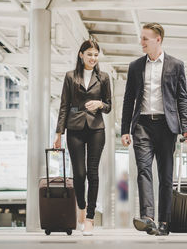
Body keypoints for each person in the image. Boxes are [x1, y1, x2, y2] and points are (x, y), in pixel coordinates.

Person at [121, 23, 187, 236]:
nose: (141, 42)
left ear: (158, 39)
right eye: (141, 38)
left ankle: (164, 222)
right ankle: (148, 217)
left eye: (145, 38)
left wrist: (186, 129)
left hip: (166, 126)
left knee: (165, 175)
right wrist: (125, 129)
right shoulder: (135, 66)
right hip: (142, 125)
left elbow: (182, 99)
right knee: (143, 170)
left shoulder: (176, 65)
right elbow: (128, 100)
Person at [53, 39, 112, 236]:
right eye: (90, 54)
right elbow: (64, 105)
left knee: (92, 173)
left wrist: (99, 104)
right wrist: (58, 132)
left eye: (96, 55)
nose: (93, 58)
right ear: (81, 55)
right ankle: (81, 206)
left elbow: (109, 106)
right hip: (75, 127)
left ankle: (89, 219)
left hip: (96, 128)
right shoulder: (71, 76)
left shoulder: (103, 78)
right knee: (79, 173)